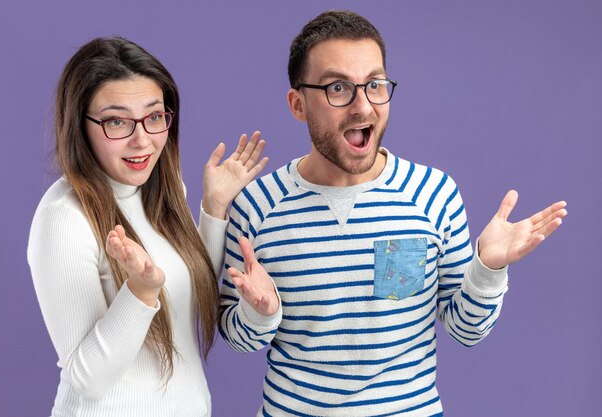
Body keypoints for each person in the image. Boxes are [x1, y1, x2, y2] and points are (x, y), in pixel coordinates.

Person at [218, 10, 567, 417]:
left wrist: (488, 270)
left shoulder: (433, 194)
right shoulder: (257, 205)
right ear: (298, 104)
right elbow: (236, 337)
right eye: (338, 88)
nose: (362, 106)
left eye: (375, 85)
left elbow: (465, 331)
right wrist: (261, 314)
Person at [27, 36, 267, 417]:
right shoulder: (65, 216)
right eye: (117, 121)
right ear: (80, 124)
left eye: (154, 117)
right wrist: (139, 293)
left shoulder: (159, 187)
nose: (143, 141)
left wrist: (213, 207)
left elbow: (188, 292)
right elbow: (86, 378)